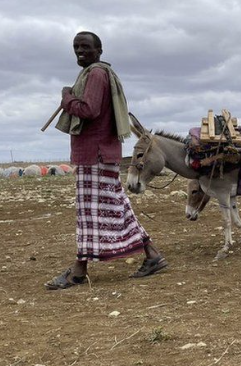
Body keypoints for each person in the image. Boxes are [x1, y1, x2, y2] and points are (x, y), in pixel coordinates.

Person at [45, 31, 168, 290]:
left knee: (91, 214)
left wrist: (67, 98)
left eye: (86, 47)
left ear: (99, 50)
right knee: (115, 206)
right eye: (76, 47)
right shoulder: (96, 73)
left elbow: (89, 110)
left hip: (95, 155)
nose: (80, 51)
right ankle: (152, 254)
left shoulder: (97, 74)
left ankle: (79, 271)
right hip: (99, 154)